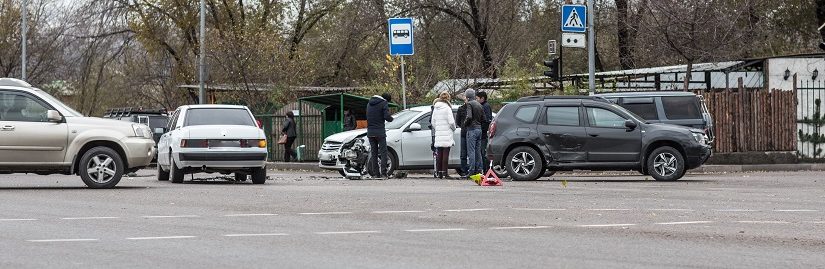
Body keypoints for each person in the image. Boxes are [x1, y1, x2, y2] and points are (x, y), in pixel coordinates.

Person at [366, 93, 394, 179]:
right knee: (383, 152)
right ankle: (384, 174)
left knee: (374, 153)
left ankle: (375, 174)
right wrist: (391, 118)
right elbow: (386, 116)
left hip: (370, 132)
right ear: (386, 99)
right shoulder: (383, 103)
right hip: (380, 132)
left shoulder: (369, 103)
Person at [431, 92, 456, 179]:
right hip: (446, 133)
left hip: (439, 133)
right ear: (448, 99)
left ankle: (439, 173)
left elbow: (433, 122)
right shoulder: (447, 108)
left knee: (439, 153)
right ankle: (445, 172)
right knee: (446, 153)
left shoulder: (436, 108)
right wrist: (453, 128)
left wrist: (437, 128)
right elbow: (451, 122)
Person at [463, 89, 485, 177]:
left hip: (472, 129)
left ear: (468, 97)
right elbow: (484, 118)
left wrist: (465, 124)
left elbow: (469, 116)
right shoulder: (479, 104)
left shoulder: (469, 104)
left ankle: (471, 171)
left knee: (471, 151)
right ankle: (479, 170)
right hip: (479, 129)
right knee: (478, 151)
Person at [476, 91, 493, 172]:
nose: (476, 100)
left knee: (483, 153)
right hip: (482, 132)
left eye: (477, 98)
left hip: (483, 134)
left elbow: (487, 120)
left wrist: (482, 129)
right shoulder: (483, 106)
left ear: (482, 98)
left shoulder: (485, 106)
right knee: (482, 152)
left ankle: (487, 170)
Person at [456, 94, 469, 177]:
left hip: (469, 131)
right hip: (464, 132)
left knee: (471, 153)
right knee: (463, 153)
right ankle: (464, 170)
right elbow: (457, 121)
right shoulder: (461, 109)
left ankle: (470, 169)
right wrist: (463, 126)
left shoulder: (473, 107)